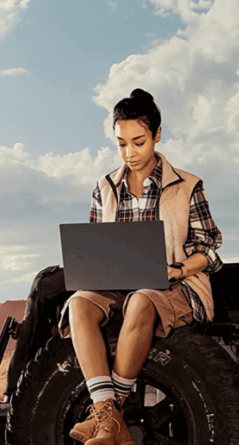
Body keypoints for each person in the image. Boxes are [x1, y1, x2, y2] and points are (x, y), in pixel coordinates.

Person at [58, 88, 223, 445]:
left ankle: (105, 416)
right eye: (121, 144)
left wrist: (176, 270)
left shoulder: (188, 185)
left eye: (139, 141)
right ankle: (108, 416)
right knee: (79, 303)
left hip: (175, 286)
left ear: (157, 135)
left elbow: (209, 249)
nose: (130, 153)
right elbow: (95, 245)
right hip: (117, 284)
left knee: (142, 300)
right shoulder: (104, 187)